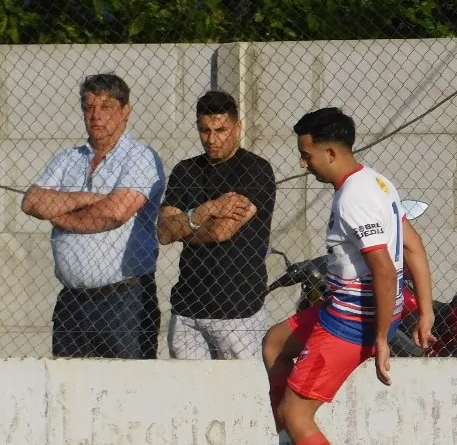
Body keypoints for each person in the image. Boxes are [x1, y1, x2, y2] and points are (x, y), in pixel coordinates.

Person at [233, 107, 434, 445]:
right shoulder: (377, 182)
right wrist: (426, 310)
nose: (302, 164)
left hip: (351, 320)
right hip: (348, 308)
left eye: (306, 156)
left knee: (297, 412)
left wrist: (382, 338)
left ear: (328, 151)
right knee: (274, 344)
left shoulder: (353, 197)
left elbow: (382, 267)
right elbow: (413, 247)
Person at [21, 74, 165, 359]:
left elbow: (114, 214)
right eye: (89, 107)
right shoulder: (68, 158)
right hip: (72, 303)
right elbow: (31, 202)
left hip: (125, 301)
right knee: (69, 390)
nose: (96, 116)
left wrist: (59, 213)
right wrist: (87, 199)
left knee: (128, 389)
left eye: (107, 107)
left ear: (126, 111)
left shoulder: (141, 157)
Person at [157, 91, 276, 359]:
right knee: (189, 396)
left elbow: (221, 232)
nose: (212, 139)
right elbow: (163, 233)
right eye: (205, 130)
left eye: (221, 130)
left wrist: (183, 227)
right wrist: (205, 210)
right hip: (188, 308)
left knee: (242, 392)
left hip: (237, 310)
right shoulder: (185, 171)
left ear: (237, 127)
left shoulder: (255, 170)